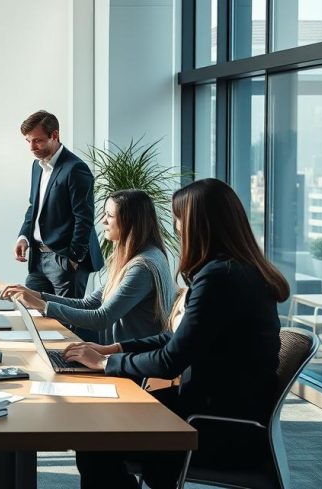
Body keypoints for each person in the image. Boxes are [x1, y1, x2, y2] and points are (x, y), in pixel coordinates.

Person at [64, 178, 287, 489]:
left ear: (200, 224)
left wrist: (105, 365)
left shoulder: (219, 279)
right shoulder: (235, 270)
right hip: (220, 406)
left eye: (179, 219)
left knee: (96, 440)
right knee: (99, 430)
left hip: (215, 424)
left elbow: (171, 360)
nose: (177, 228)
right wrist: (113, 349)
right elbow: (176, 338)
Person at [2, 189, 176, 345]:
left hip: (128, 362)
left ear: (130, 221)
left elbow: (102, 318)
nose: (103, 221)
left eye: (109, 215)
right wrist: (38, 295)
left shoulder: (142, 267)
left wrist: (42, 306)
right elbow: (90, 303)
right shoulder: (139, 255)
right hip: (116, 351)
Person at [15, 110, 105, 300]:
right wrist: (23, 236)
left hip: (64, 260)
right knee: (30, 310)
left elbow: (84, 217)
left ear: (54, 135)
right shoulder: (37, 166)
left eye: (37, 140)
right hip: (38, 258)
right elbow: (34, 206)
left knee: (66, 324)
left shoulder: (75, 169)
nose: (32, 147)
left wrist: (74, 258)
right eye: (28, 141)